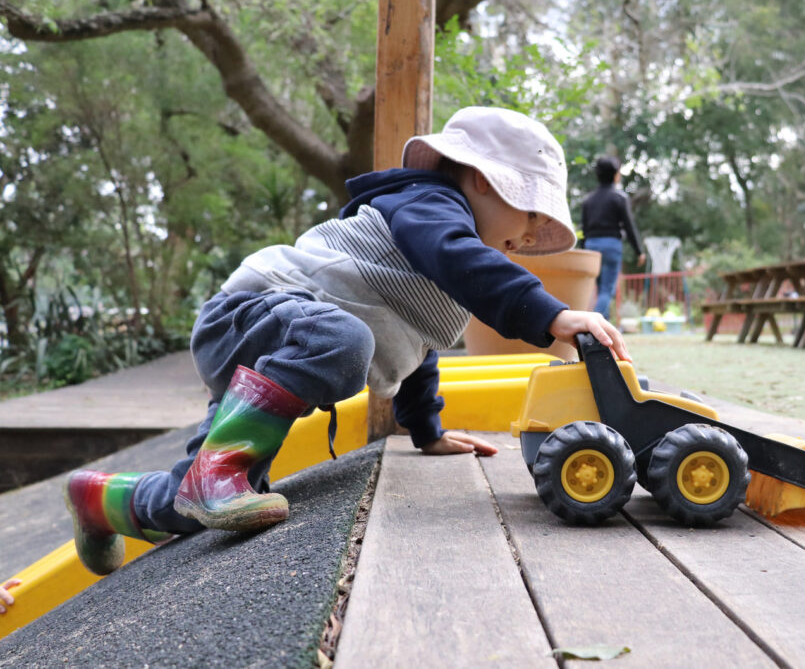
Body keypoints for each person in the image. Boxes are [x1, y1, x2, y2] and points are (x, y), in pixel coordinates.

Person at [62, 107, 632, 576]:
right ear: (482, 179)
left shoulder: (442, 262)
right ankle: (220, 467)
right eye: (530, 209)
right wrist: (552, 315)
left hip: (266, 360)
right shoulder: (429, 203)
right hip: (253, 314)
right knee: (343, 338)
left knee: (198, 505)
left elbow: (417, 346)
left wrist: (426, 431)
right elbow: (462, 261)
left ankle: (100, 499)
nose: (531, 234)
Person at [580, 156, 645, 319]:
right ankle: (595, 326)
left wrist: (583, 252)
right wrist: (639, 251)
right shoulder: (619, 198)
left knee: (600, 288)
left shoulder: (588, 200)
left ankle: (604, 325)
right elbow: (629, 226)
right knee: (606, 290)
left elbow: (584, 229)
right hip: (611, 245)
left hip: (591, 245)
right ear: (616, 175)